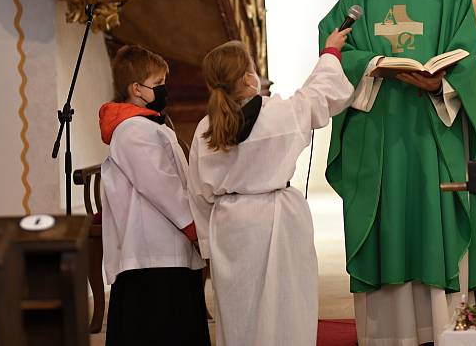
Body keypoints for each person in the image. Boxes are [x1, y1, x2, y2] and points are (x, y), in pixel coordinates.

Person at [318, 0, 476, 345]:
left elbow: (467, 56)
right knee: (387, 225)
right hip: (380, 139)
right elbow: (332, 49)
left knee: (436, 218)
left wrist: (438, 83)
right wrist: (371, 64)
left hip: (434, 134)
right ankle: (391, 335)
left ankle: (443, 330)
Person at [186, 32, 353, 346]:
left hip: (230, 226)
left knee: (239, 308)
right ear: (249, 77)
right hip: (277, 217)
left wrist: (208, 244)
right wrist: (331, 51)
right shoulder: (278, 114)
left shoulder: (205, 129)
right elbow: (319, 95)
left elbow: (198, 191)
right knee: (286, 303)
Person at [98, 45, 209, 346]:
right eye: (158, 84)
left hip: (164, 247)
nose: (164, 90)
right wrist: (193, 226)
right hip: (154, 251)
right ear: (136, 88)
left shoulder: (145, 124)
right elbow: (161, 185)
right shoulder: (133, 130)